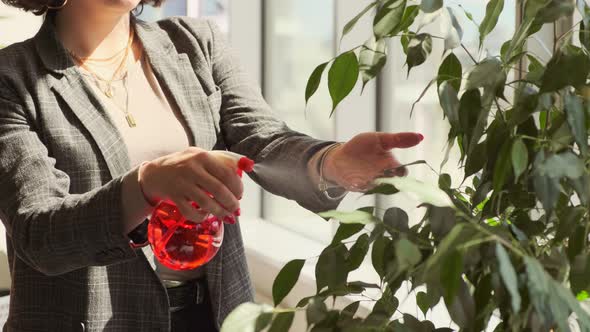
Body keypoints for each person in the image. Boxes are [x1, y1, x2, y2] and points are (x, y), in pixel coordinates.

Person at [0, 0, 424, 331]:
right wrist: (146, 185)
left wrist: (330, 162)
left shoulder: (195, 43)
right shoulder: (13, 79)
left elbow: (264, 140)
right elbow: (39, 233)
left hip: (216, 314)